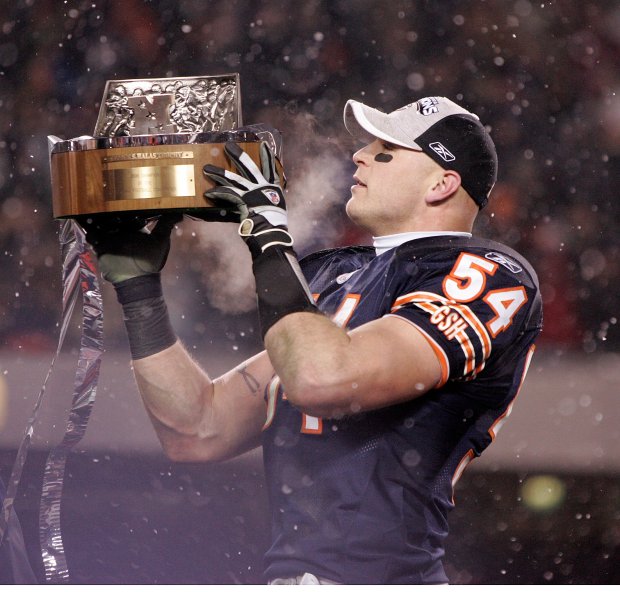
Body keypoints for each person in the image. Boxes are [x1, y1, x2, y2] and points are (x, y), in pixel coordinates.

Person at [84, 96, 543, 585]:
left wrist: (267, 236)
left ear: (442, 183)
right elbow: (197, 428)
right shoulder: (337, 272)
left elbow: (323, 380)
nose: (360, 156)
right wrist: (138, 291)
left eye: (386, 151)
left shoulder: (487, 274)